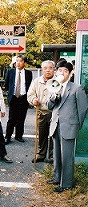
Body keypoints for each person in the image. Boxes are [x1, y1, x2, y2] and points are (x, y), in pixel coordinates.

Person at [47, 60, 88, 193]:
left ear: (70, 74)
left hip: (69, 126)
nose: (62, 73)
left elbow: (83, 109)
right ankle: (57, 177)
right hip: (56, 125)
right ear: (56, 72)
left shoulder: (77, 88)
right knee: (57, 154)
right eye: (60, 70)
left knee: (67, 156)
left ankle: (66, 184)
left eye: (65, 71)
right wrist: (54, 95)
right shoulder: (54, 85)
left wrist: (76, 125)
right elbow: (49, 106)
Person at [27, 60, 55, 163]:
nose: (48, 70)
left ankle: (52, 156)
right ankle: (41, 155)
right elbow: (30, 94)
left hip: (54, 113)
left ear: (54, 70)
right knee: (41, 135)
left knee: (53, 136)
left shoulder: (57, 82)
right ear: (42, 70)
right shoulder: (37, 81)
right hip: (41, 112)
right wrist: (34, 99)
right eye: (45, 68)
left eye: (50, 68)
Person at [4, 54, 33, 144]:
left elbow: (29, 86)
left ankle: (19, 136)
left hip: (24, 97)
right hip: (13, 97)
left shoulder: (28, 73)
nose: (18, 63)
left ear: (24, 63)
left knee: (21, 118)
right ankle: (7, 136)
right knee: (11, 118)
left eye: (20, 61)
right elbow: (6, 84)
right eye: (17, 61)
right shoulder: (10, 71)